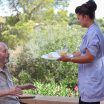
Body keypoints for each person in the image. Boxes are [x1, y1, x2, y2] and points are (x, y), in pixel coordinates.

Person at [58, 0, 104, 104]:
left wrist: (69, 59)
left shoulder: (93, 33)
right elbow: (83, 52)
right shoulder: (92, 31)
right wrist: (68, 55)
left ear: (85, 17)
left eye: (79, 18)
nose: (78, 21)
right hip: (88, 85)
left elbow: (89, 57)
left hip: (91, 86)